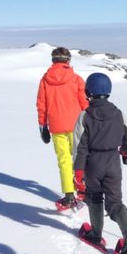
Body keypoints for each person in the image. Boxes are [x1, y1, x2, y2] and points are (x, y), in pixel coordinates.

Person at [73, 72, 127, 254]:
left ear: (88, 91)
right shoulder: (118, 113)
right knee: (115, 202)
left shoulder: (84, 116)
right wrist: (126, 151)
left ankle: (95, 233)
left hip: (93, 164)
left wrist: (78, 170)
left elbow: (79, 146)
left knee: (94, 198)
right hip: (113, 162)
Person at [36, 47, 89, 210]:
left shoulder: (45, 80)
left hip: (56, 125)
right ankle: (83, 189)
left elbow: (41, 105)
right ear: (68, 60)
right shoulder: (76, 79)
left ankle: (68, 195)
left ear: (53, 60)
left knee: (64, 160)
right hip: (77, 125)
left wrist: (42, 126)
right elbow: (84, 103)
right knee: (80, 158)